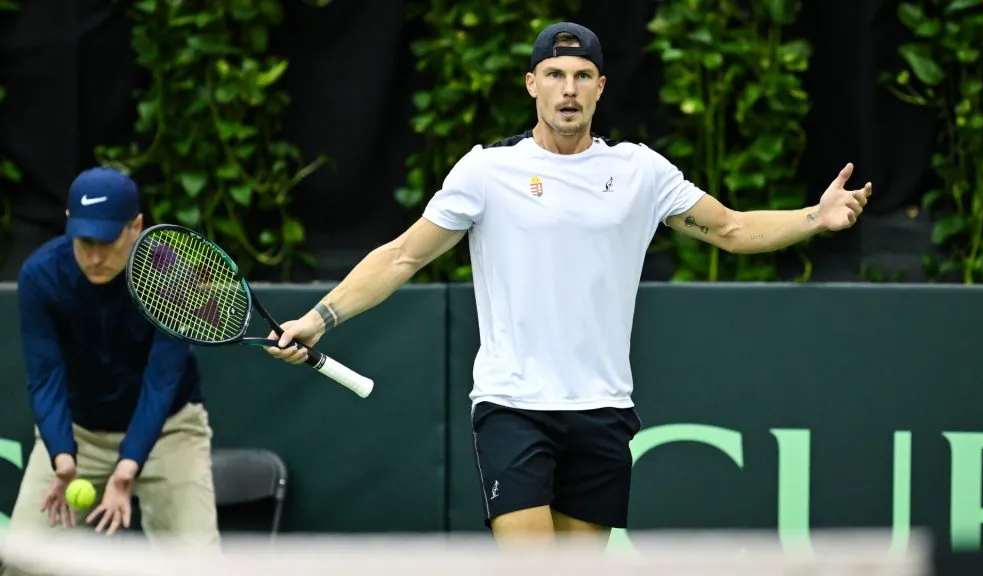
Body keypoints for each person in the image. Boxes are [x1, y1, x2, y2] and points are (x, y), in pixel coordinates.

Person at [262, 22, 872, 546]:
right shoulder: (486, 171)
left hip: (602, 411)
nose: (568, 89)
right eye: (554, 74)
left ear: (601, 87)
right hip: (513, 407)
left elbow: (733, 229)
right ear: (532, 84)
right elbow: (400, 257)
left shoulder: (640, 172)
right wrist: (317, 320)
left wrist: (815, 218)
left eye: (582, 75)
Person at [1, 167, 219, 574]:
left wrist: (127, 466)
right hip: (79, 432)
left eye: (108, 241)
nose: (96, 257)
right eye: (85, 242)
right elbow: (45, 376)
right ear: (69, 223)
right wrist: (62, 455)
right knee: (21, 565)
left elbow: (161, 381)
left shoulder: (172, 276)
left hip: (170, 431)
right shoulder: (41, 276)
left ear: (136, 226)